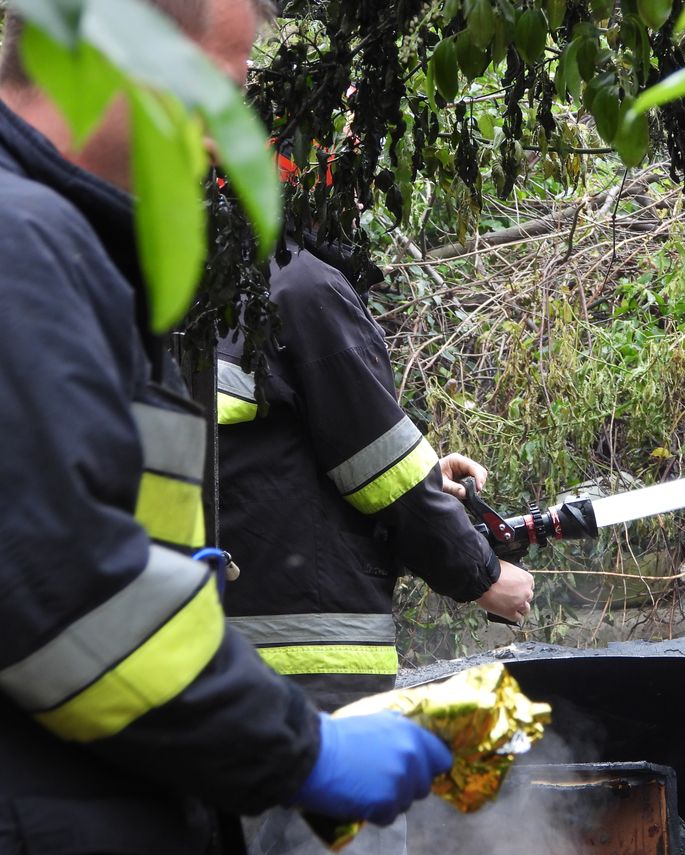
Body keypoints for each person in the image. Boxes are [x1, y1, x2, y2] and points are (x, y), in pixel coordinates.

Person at [0, 3, 454, 852]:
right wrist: (302, 747)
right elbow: (56, 593)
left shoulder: (75, 248)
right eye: (222, 91)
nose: (224, 143)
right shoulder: (21, 245)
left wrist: (160, 573)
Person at [215, 171, 535, 853]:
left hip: (222, 668)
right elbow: (383, 472)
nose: (358, 206)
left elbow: (279, 463)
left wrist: (430, 475)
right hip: (318, 678)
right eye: (347, 190)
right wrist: (484, 575)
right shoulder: (299, 287)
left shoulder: (196, 292)